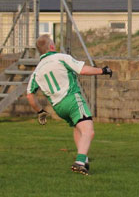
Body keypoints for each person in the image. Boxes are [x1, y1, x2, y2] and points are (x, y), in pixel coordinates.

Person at [26, 35, 113, 175]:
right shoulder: (60, 57)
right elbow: (83, 70)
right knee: (88, 130)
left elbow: (30, 95)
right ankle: (79, 163)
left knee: (78, 128)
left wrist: (40, 111)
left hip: (58, 107)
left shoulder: (37, 71)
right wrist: (102, 70)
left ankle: (83, 160)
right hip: (72, 98)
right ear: (52, 47)